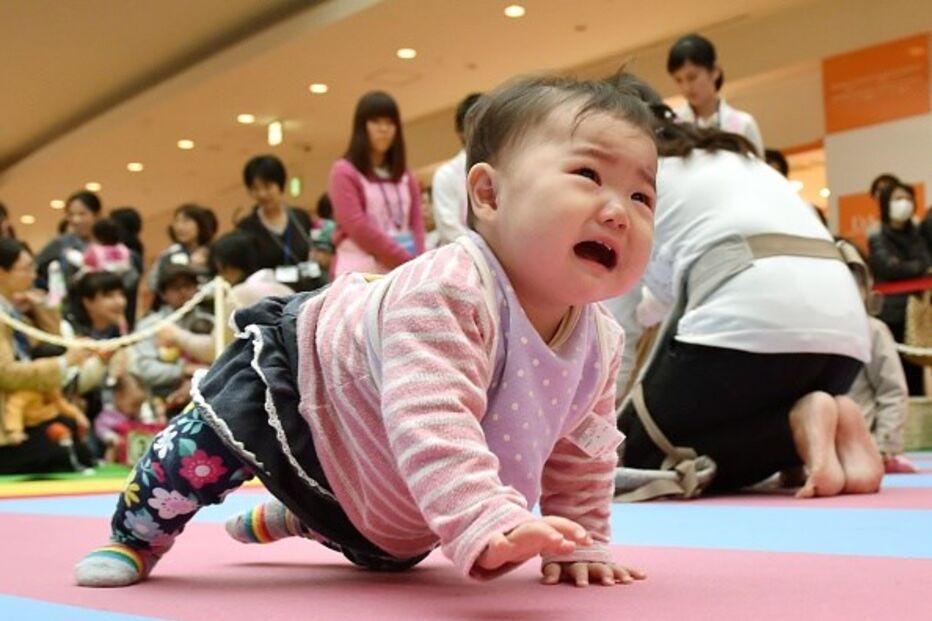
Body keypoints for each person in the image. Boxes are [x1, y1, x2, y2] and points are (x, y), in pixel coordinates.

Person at [74, 74, 658, 589]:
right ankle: (136, 536)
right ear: (488, 194)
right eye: (587, 174)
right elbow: (432, 422)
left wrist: (582, 539)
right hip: (305, 385)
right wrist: (488, 515)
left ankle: (304, 515)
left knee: (397, 546)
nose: (618, 212)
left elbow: (582, 452)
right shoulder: (451, 290)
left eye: (641, 196)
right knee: (200, 452)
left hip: (385, 480)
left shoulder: (600, 341)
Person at [613, 74, 881, 500]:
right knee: (724, 410)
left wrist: (606, 431)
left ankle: (792, 434)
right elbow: (665, 299)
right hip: (845, 342)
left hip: (751, 330)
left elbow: (619, 332)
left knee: (642, 458)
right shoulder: (732, 156)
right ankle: (827, 423)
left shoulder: (631, 178)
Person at [0, 238, 92, 474]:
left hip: (32, 410)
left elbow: (51, 344)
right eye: (26, 268)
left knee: (72, 435)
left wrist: (42, 306)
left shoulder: (15, 312)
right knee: (63, 451)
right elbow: (6, 374)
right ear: (2, 272)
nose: (33, 275)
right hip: (9, 422)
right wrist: (65, 362)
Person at [837, 241, 917, 474]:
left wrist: (885, 446)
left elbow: (892, 391)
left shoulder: (872, 331)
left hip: (862, 444)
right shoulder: (810, 334)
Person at [329, 91, 425, 276]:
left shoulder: (406, 174)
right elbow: (357, 226)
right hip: (360, 273)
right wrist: (406, 260)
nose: (384, 129)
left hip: (405, 269)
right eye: (376, 122)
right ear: (361, 127)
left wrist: (418, 261)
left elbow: (417, 222)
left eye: (390, 123)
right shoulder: (344, 171)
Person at [867, 181, 932, 395]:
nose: (903, 203)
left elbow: (924, 260)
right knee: (893, 374)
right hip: (890, 311)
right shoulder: (877, 235)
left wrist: (911, 266)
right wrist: (917, 267)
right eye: (897, 198)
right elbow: (887, 267)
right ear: (886, 204)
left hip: (917, 311)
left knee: (917, 372)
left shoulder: (918, 233)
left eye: (907, 198)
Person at [667, 33, 764, 156]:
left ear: (714, 71)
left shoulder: (743, 124)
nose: (686, 87)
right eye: (678, 80)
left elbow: (758, 171)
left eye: (692, 77)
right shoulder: (673, 125)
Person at [236, 155, 322, 292]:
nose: (262, 194)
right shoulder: (247, 226)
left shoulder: (300, 217)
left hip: (305, 292)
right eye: (255, 188)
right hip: (267, 298)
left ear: (280, 185)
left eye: (267, 186)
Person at [129, 265, 210, 400]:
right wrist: (183, 370)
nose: (183, 291)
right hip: (161, 398)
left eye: (188, 286)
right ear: (163, 294)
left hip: (206, 393)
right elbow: (145, 369)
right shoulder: (150, 325)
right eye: (176, 288)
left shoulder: (211, 320)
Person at [432, 93, 483, 246]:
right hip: (465, 254)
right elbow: (448, 228)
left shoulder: (504, 166)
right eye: (476, 122)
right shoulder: (446, 174)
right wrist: (484, 250)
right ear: (461, 131)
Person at [34, 190, 102, 290]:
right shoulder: (62, 242)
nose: (76, 220)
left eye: (82, 214)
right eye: (71, 215)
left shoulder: (107, 242)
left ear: (96, 215)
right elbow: (34, 266)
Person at [147, 204, 216, 298]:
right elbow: (153, 283)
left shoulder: (214, 252)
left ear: (200, 224)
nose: (179, 227)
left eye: (186, 221)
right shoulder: (168, 255)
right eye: (177, 221)